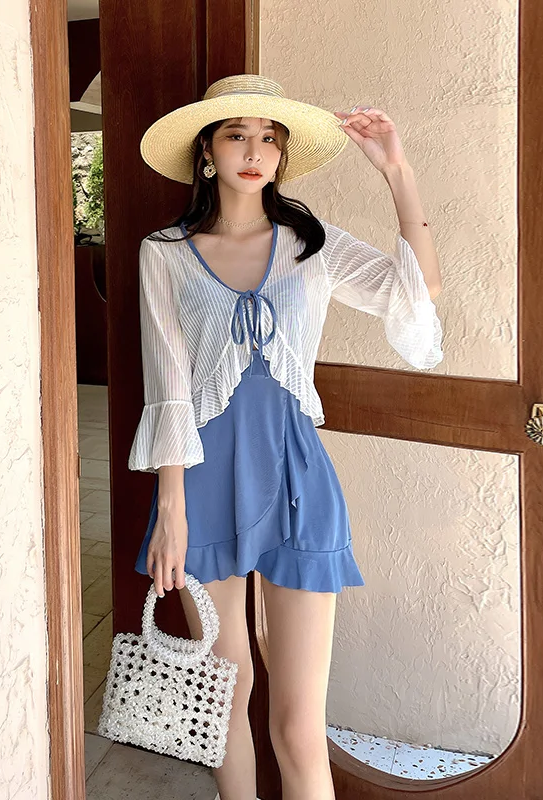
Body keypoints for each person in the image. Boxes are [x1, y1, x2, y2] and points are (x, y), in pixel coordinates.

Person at [126, 74, 444, 800]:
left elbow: (417, 295)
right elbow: (167, 387)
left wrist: (397, 171)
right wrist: (170, 508)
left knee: (299, 726)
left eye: (270, 138)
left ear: (282, 155)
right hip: (202, 486)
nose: (254, 151)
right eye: (237, 135)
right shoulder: (165, 252)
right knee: (224, 700)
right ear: (206, 151)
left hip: (299, 481)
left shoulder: (312, 245)